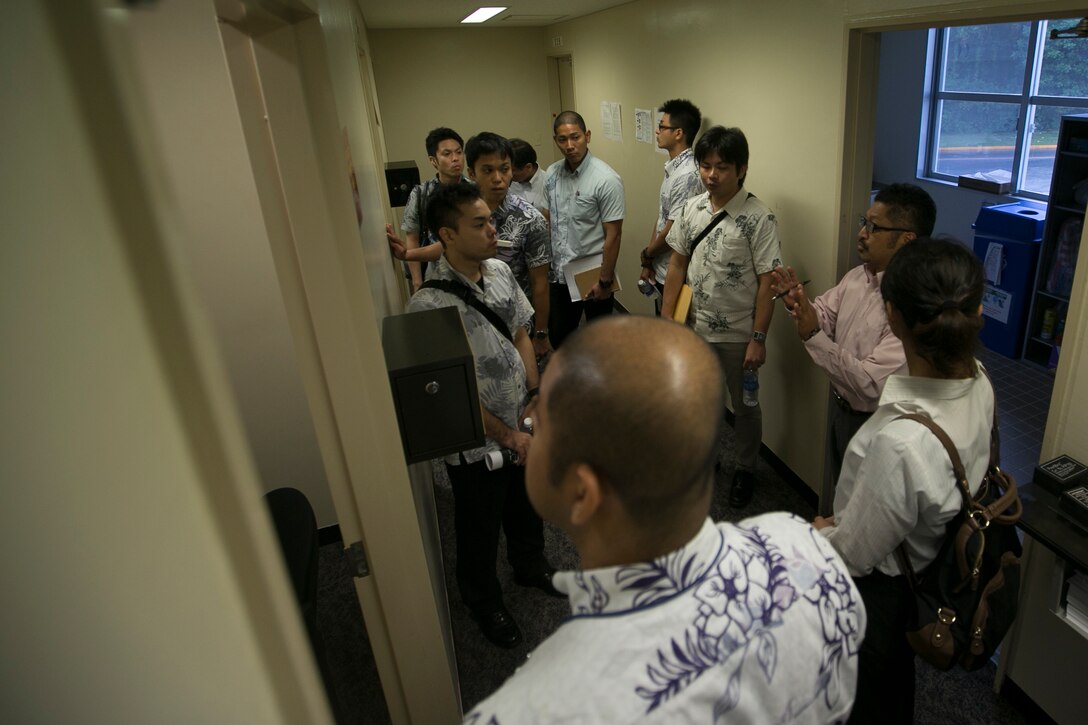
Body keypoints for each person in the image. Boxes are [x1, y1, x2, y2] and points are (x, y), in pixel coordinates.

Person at [464, 316, 865, 723]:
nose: (528, 421)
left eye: (539, 421)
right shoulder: (809, 550)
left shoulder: (525, 711)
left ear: (582, 493)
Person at [814, 238, 992, 723]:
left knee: (863, 692)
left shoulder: (902, 443)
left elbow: (854, 555)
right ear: (976, 309)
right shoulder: (979, 379)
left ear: (891, 316)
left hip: (885, 596)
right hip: (931, 559)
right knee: (892, 687)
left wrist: (821, 531)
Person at [406, 184, 561, 649]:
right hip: (476, 442)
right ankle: (483, 600)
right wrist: (506, 437)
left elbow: (519, 335)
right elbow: (450, 396)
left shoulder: (497, 271)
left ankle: (530, 566)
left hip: (521, 420)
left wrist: (533, 396)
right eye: (479, 224)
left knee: (526, 503)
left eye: (490, 221)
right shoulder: (427, 306)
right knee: (477, 524)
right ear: (446, 235)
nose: (493, 230)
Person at [771, 183, 937, 512]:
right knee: (843, 496)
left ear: (907, 239)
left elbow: (868, 382)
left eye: (874, 227)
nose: (861, 233)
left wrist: (812, 334)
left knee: (868, 512)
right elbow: (824, 315)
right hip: (842, 411)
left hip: (878, 425)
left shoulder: (913, 305)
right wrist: (802, 307)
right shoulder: (858, 277)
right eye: (865, 222)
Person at [660, 126, 781, 509]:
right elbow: (677, 264)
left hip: (737, 335)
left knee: (744, 407)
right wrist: (667, 321)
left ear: (741, 169)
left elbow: (767, 282)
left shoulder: (759, 218)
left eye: (722, 167)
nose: (711, 175)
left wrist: (758, 339)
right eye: (706, 166)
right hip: (692, 327)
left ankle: (746, 468)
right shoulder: (691, 209)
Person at [390, 132, 553, 359]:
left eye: (505, 169)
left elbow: (540, 283)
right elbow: (446, 247)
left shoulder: (530, 219)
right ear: (472, 173)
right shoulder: (457, 211)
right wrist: (408, 254)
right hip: (458, 321)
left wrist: (541, 334)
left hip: (509, 326)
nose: (498, 178)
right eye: (488, 170)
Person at [541, 110, 625, 349]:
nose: (569, 145)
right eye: (562, 139)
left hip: (592, 273)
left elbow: (614, 234)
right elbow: (548, 220)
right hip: (559, 273)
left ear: (587, 136)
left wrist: (605, 281)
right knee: (560, 337)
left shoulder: (606, 179)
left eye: (575, 137)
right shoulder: (552, 175)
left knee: (599, 341)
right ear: (555, 140)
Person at [386, 127, 470, 292]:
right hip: (436, 278)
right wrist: (417, 283)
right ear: (433, 160)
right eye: (447, 154)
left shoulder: (474, 191)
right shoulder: (421, 194)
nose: (455, 159)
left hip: (471, 272)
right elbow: (412, 239)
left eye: (459, 152)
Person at [639, 99, 704, 311]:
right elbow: (662, 218)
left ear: (678, 133)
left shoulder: (687, 175)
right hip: (661, 267)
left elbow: (673, 230)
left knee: (674, 335)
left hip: (675, 273)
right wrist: (648, 261)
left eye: (662, 126)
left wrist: (648, 254)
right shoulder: (673, 168)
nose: (657, 132)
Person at [508, 138, 545, 211]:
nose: (508, 174)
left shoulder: (548, 183)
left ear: (528, 167)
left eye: (513, 170)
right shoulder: (507, 182)